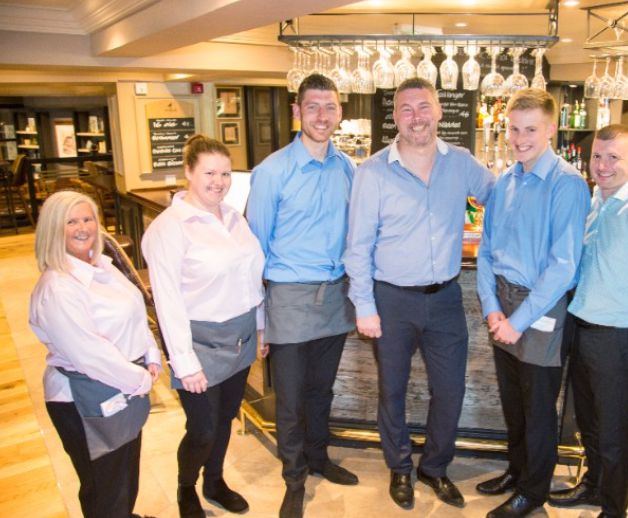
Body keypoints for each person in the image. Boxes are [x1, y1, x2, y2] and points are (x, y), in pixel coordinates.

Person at [344, 77, 495, 510]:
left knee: (450, 390)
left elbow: (501, 198)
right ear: (395, 117)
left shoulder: (461, 162)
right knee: (392, 390)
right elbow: (357, 246)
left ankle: (434, 467)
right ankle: (399, 467)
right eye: (406, 109)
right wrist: (365, 305)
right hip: (391, 299)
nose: (416, 117)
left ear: (439, 111)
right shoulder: (372, 171)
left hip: (445, 298)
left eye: (423, 107)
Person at [246, 73, 358, 518]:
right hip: (289, 296)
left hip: (335, 296)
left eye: (330, 106)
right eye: (312, 106)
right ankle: (294, 478)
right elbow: (255, 250)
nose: (322, 115)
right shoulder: (272, 172)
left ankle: (318, 457)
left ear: (340, 112)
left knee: (321, 391)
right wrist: (259, 319)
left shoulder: (348, 168)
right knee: (290, 399)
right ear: (297, 111)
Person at [550, 124, 628, 518]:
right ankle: (593, 486)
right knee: (587, 421)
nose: (603, 165)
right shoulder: (594, 202)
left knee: (613, 429)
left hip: (617, 336)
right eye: (597, 157)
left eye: (614, 157)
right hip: (581, 326)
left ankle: (614, 508)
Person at [476, 89, 590, 518]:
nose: (520, 139)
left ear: (550, 130)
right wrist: (492, 307)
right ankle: (517, 471)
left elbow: (563, 267)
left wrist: (518, 321)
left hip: (541, 308)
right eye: (514, 129)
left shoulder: (567, 184)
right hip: (502, 305)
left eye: (530, 130)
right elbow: (487, 251)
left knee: (539, 407)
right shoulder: (505, 181)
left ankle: (533, 492)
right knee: (514, 403)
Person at [142, 135, 265, 518]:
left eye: (225, 173)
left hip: (241, 336)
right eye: (210, 173)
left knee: (225, 418)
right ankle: (186, 486)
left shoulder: (234, 217)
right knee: (203, 429)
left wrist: (261, 326)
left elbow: (251, 277)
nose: (219, 181)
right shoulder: (169, 228)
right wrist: (184, 361)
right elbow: (167, 301)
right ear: (189, 172)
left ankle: (215, 481)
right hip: (199, 344)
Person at [29, 190, 161, 518]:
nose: (82, 228)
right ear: (52, 229)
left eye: (88, 219)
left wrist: (151, 354)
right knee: (104, 488)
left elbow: (135, 310)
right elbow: (89, 355)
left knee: (124, 475)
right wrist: (140, 379)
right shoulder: (58, 287)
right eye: (71, 222)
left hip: (122, 388)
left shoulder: (102, 265)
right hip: (84, 399)